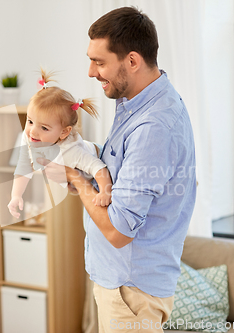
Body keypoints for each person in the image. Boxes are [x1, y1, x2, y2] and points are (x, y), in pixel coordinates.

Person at [40, 6, 196, 333]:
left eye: (99, 62)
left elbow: (118, 231)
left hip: (130, 290)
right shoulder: (136, 101)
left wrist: (74, 177)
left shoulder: (153, 126)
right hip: (125, 286)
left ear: (132, 61)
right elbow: (124, 163)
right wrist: (79, 154)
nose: (90, 72)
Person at [8, 69, 113, 219]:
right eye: (30, 121)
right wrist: (16, 195)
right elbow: (24, 166)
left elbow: (99, 168)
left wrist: (105, 192)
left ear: (64, 132)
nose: (33, 132)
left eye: (44, 128)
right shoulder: (30, 137)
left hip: (97, 165)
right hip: (71, 174)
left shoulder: (72, 152)